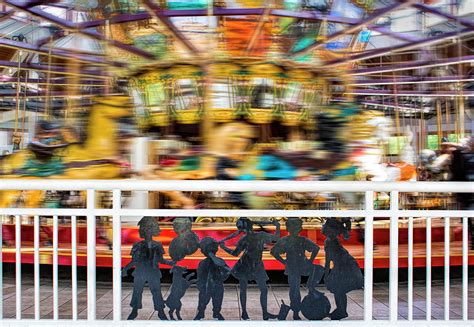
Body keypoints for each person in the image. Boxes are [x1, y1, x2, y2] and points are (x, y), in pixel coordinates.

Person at [219, 217, 280, 320]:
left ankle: (245, 313)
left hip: (245, 264)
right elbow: (276, 238)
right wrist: (277, 226)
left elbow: (235, 254)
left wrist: (223, 247)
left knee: (244, 289)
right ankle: (263, 313)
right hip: (255, 264)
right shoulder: (261, 235)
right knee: (263, 289)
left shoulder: (244, 239)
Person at [122, 216, 174, 320]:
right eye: (146, 229)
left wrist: (171, 263)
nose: (148, 232)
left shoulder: (157, 245)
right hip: (141, 272)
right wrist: (125, 269)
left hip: (152, 272)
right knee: (138, 291)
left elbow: (161, 260)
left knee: (156, 292)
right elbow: (134, 261)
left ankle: (160, 311)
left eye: (149, 229)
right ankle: (135, 310)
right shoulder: (138, 245)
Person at [270, 217, 320, 320]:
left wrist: (283, 262)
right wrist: (310, 261)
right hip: (303, 265)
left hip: (292, 267)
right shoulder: (302, 240)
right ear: (300, 228)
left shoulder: (285, 240)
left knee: (294, 289)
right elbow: (316, 248)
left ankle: (296, 311)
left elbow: (273, 252)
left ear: (287, 228)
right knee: (297, 288)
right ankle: (309, 296)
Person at [322, 218, 363, 320]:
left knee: (338, 290)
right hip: (345, 265)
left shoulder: (330, 241)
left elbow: (328, 260)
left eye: (325, 225)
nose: (322, 227)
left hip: (344, 267)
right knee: (339, 290)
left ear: (330, 230)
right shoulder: (332, 240)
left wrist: (326, 275)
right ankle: (341, 310)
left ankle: (341, 311)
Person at [194, 237, 231, 320]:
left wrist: (212, 256)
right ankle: (200, 313)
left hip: (217, 286)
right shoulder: (203, 263)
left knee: (217, 301)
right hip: (206, 287)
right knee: (203, 302)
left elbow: (228, 270)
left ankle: (216, 313)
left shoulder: (219, 261)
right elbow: (200, 277)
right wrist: (201, 287)